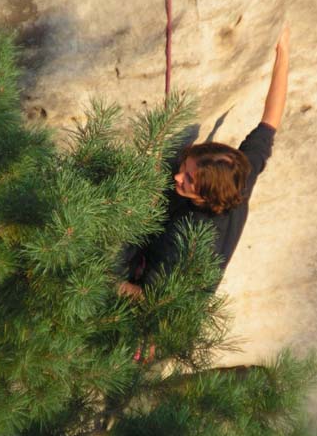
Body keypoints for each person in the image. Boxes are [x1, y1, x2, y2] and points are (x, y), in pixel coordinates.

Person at [118, 25, 290, 299]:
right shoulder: (240, 174)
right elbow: (270, 120)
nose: (178, 178)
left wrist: (100, 283)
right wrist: (283, 51)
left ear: (207, 197)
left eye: (188, 180)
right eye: (185, 169)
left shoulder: (190, 237)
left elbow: (153, 299)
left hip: (164, 302)